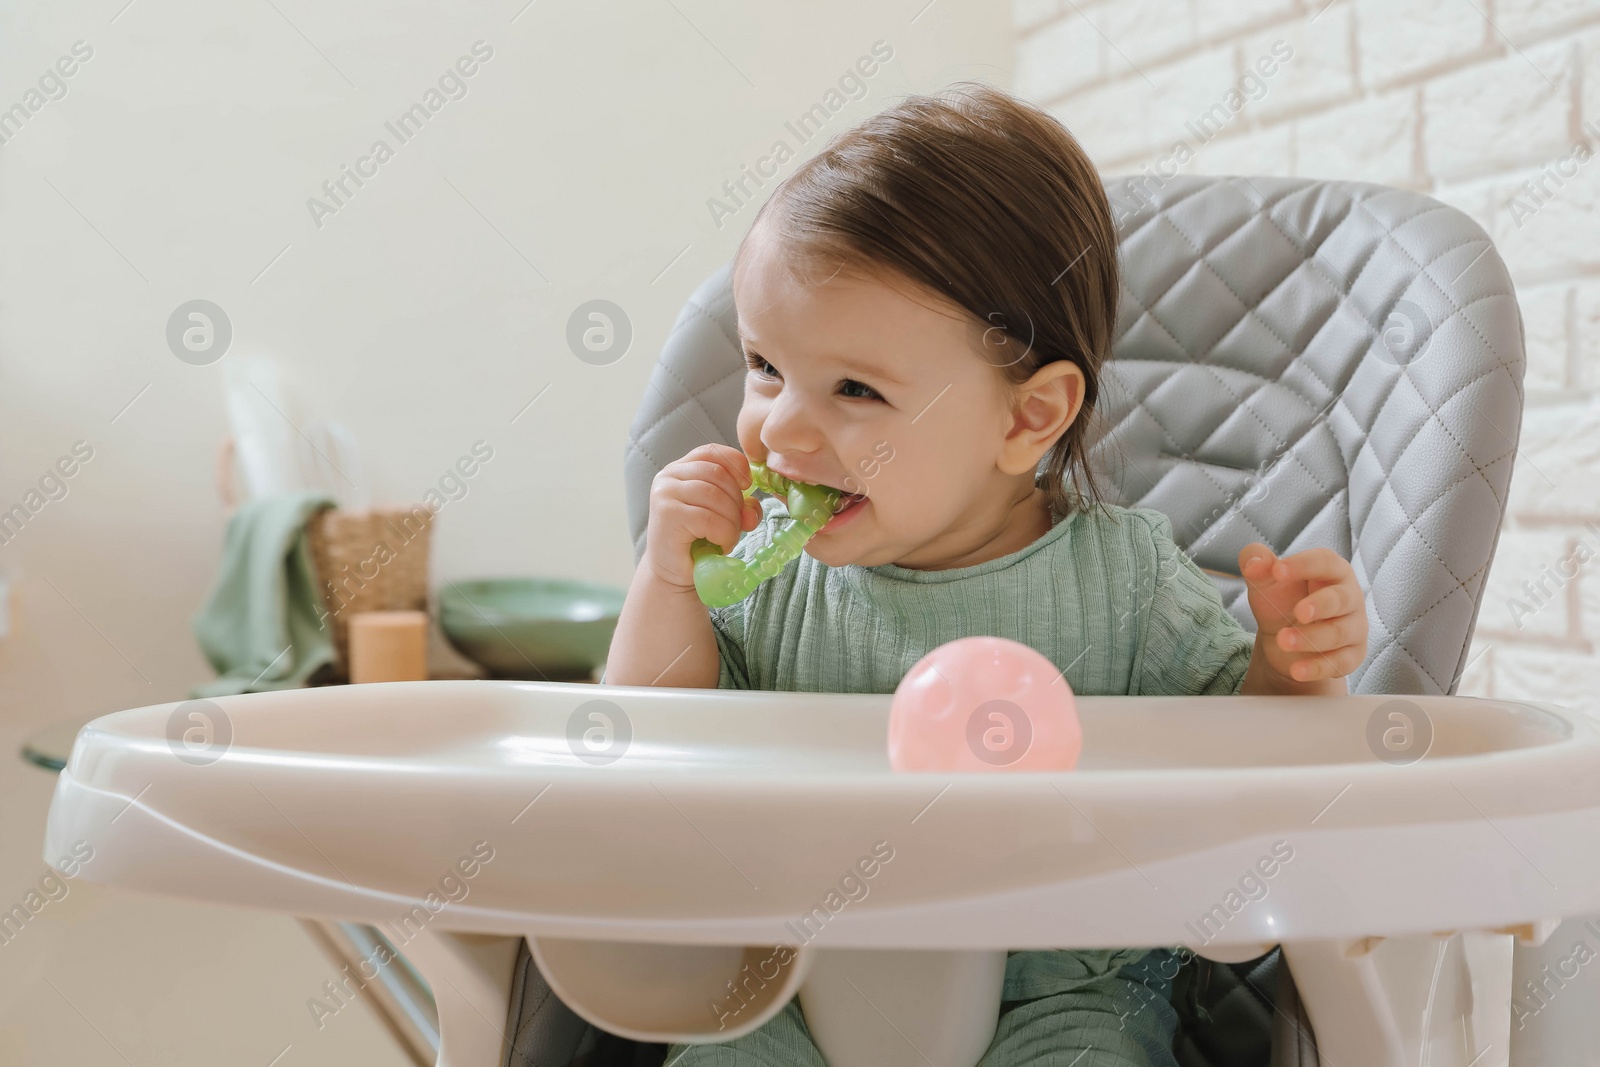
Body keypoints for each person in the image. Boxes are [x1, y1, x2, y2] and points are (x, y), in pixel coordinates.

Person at [606, 81, 1368, 1067]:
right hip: (784, 980)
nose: (778, 428)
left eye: (853, 389)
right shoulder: (760, 576)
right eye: (762, 366)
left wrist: (1293, 669)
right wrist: (666, 585)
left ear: (1024, 418)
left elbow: (1241, 784)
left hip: (1064, 995)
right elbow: (635, 765)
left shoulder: (1126, 579)